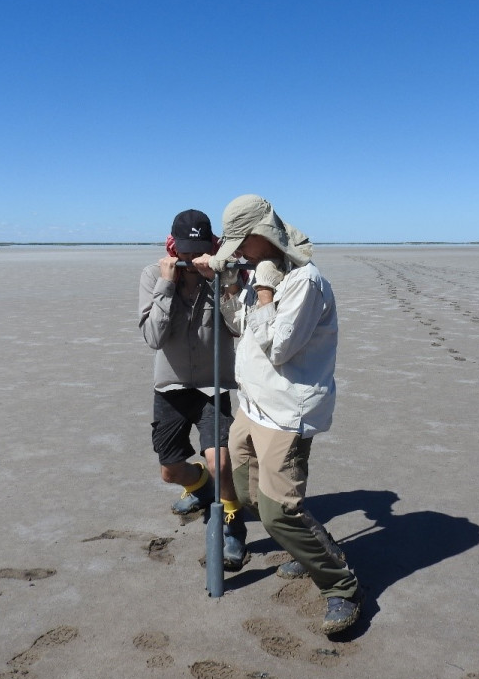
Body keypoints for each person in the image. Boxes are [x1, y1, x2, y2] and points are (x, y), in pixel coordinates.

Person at [193, 194, 363, 634]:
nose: (239, 255)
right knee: (247, 490)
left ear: (259, 237)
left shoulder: (304, 281)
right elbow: (241, 327)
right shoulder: (259, 274)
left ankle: (340, 585)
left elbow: (281, 347)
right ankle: (308, 551)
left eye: (240, 245)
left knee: (278, 513)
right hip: (253, 406)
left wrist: (265, 290)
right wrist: (234, 288)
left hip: (285, 413)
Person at [138, 209, 247, 570]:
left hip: (212, 387)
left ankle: (232, 526)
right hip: (170, 386)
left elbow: (239, 328)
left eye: (198, 249)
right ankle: (200, 488)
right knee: (170, 470)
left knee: (220, 459)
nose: (190, 257)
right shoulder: (152, 275)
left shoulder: (226, 273)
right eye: (184, 250)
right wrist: (167, 285)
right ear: (172, 246)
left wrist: (221, 284)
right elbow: (153, 337)